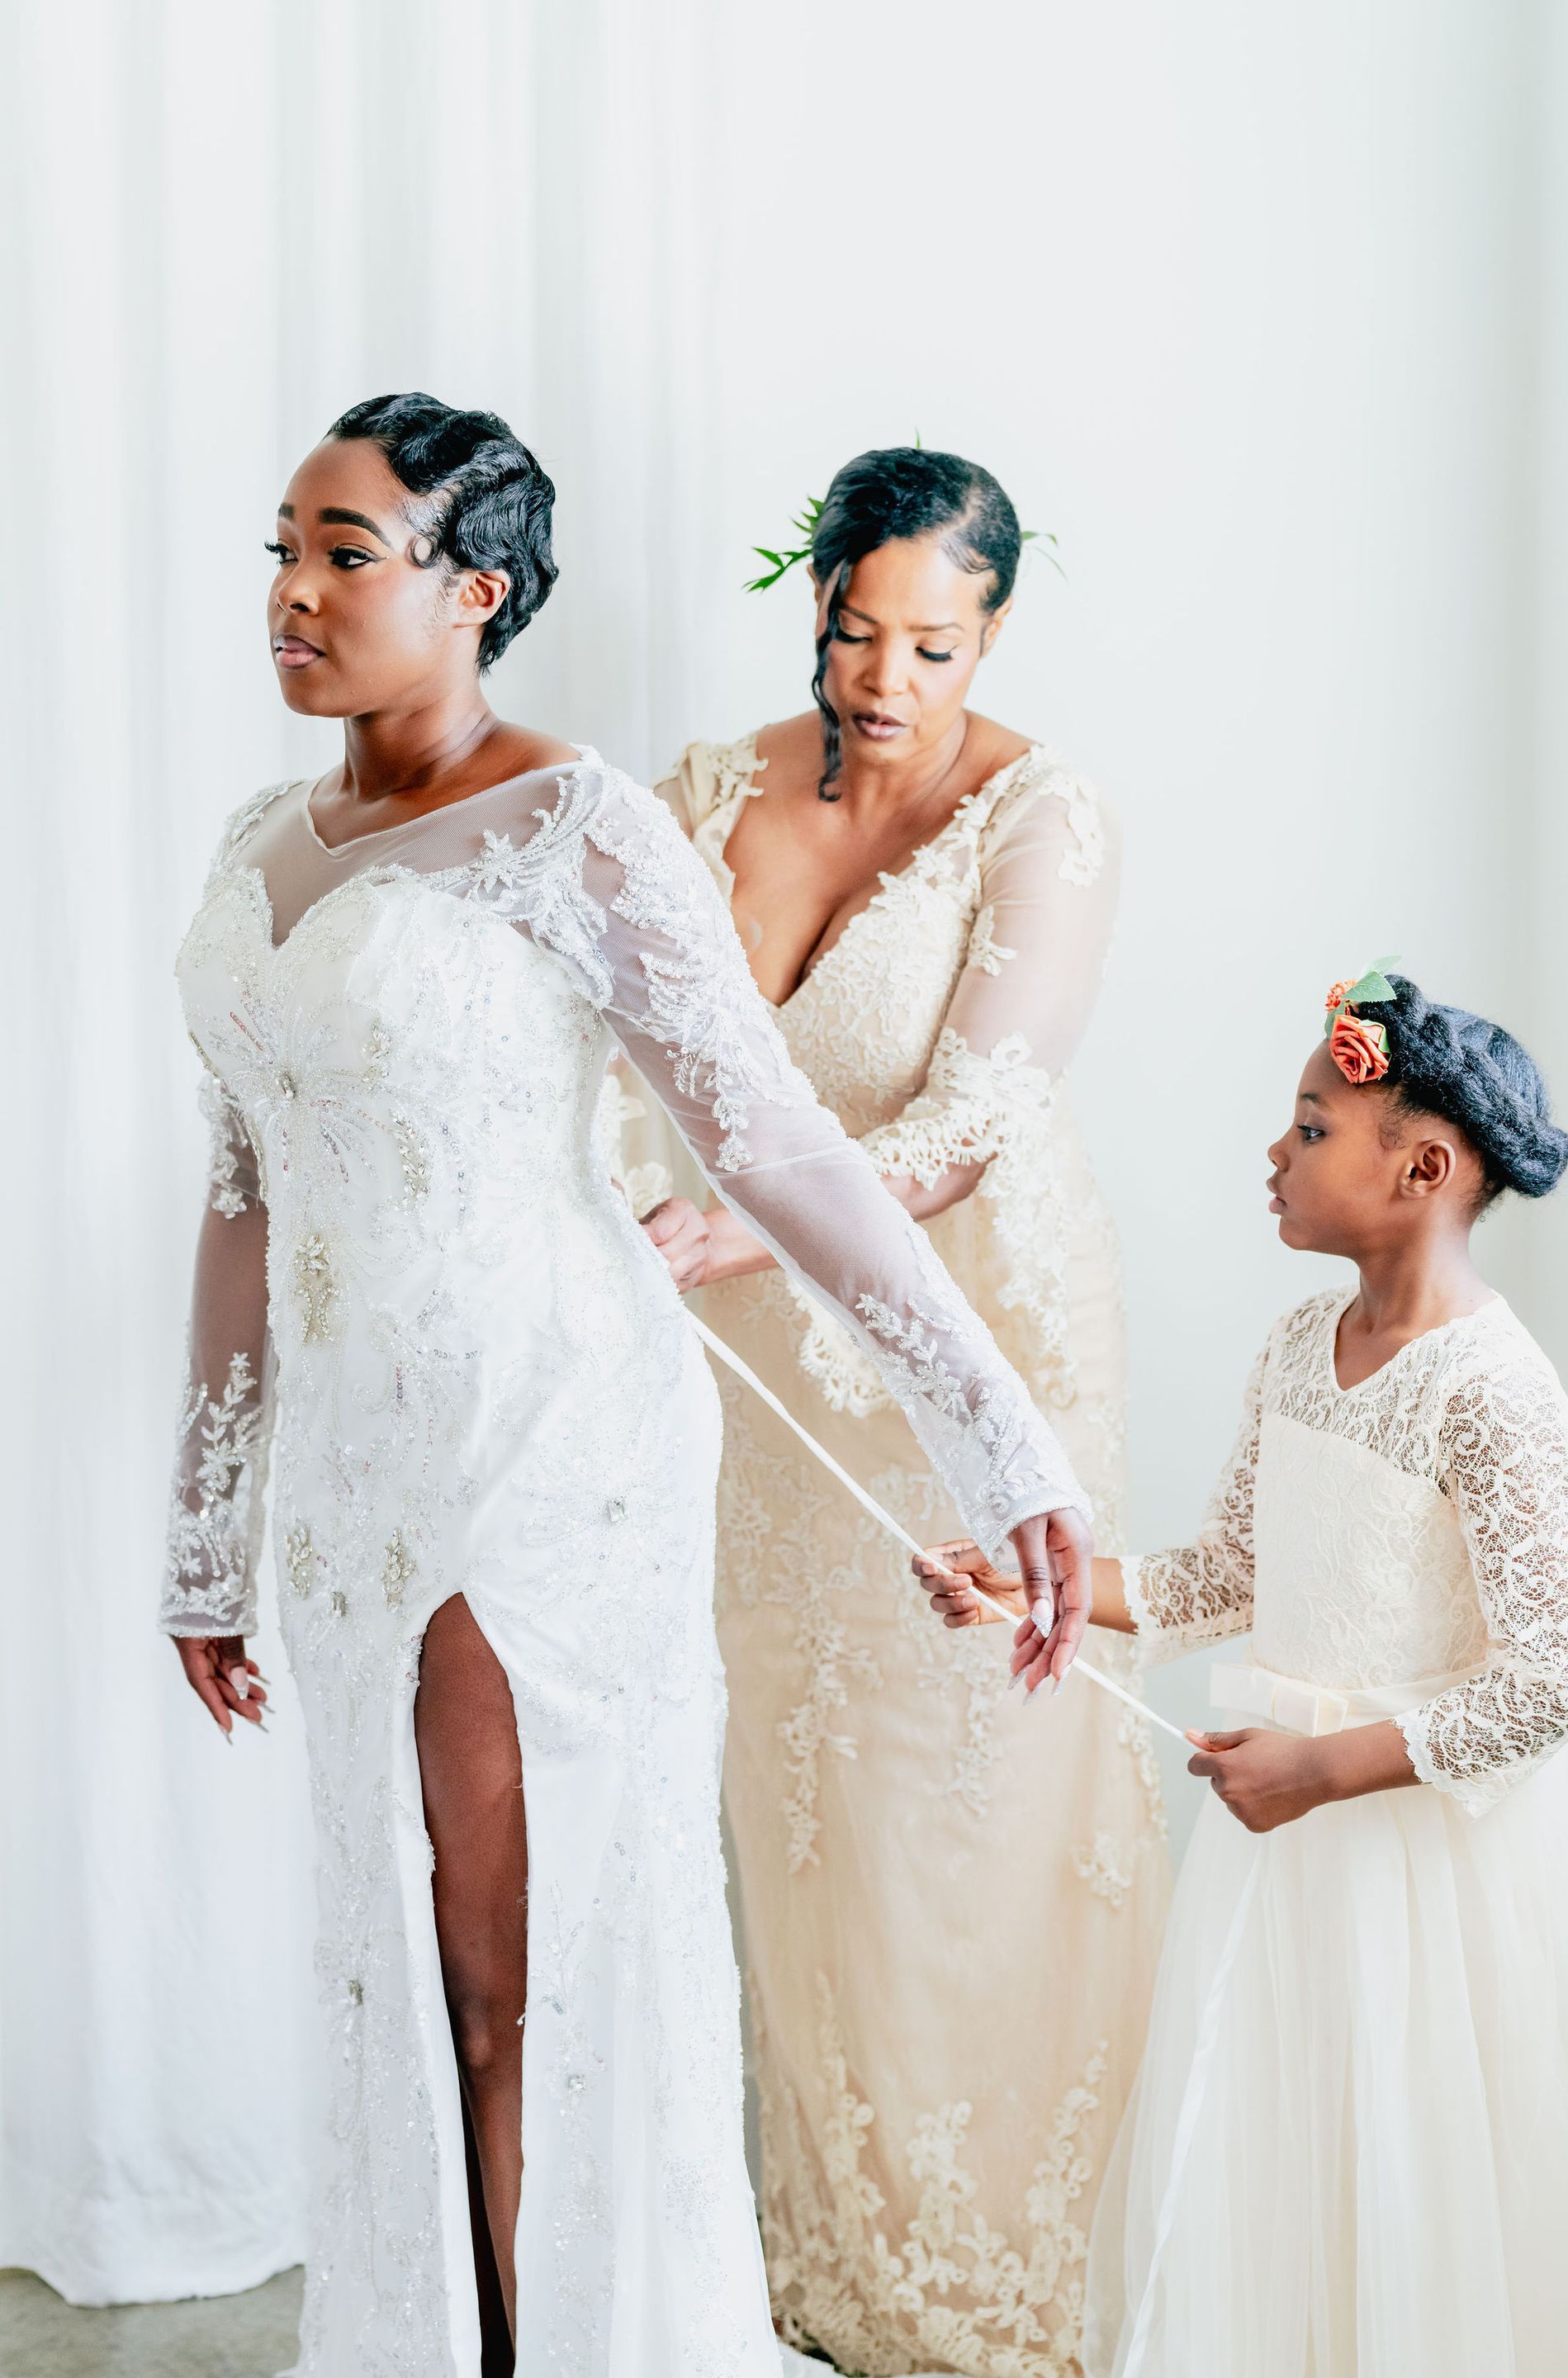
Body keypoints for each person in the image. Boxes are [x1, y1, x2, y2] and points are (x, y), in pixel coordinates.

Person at [159, 395, 1092, 2378]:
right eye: (283, 547)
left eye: (346, 552)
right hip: (343, 1479)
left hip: (542, 1448)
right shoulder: (261, 846)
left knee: (512, 1981)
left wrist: (997, 1436)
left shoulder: (577, 822)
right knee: (389, 1965)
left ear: (475, 588)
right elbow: (242, 1194)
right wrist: (201, 1531)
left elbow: (776, 1147)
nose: (293, 593)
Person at [628, 446, 1170, 2373]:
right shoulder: (709, 790)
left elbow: (972, 1116)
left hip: (965, 1352)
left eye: (930, 645)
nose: (882, 679)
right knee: (797, 1798)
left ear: (990, 632)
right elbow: (638, 1039)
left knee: (967, 1813)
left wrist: (747, 1228)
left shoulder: (1045, 815)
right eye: (855, 631)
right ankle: (821, 2279)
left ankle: (997, 2295)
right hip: (752, 1376)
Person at [916, 970, 1568, 2377]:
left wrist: (1328, 1769)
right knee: (1271, 2160)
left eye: (1311, 1126)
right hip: (1281, 1861)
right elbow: (1224, 1573)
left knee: (1403, 2174)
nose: (1274, 1155)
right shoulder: (1299, 1347)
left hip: (1409, 1865)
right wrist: (1025, 1582)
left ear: (1423, 1167)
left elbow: (1555, 1675)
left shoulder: (1495, 1391)